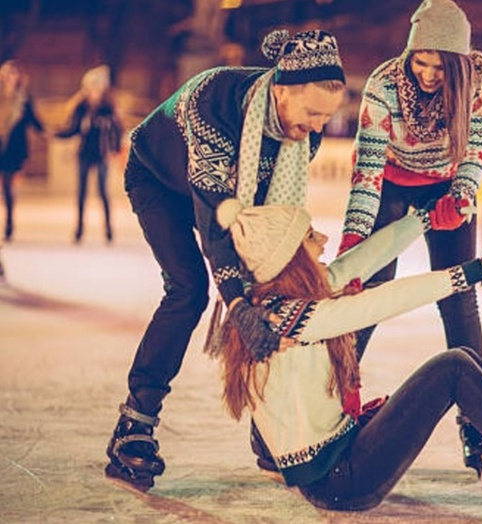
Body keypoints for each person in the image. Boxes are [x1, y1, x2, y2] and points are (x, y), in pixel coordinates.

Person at [214, 197, 482, 511]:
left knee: (459, 362)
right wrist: (471, 271)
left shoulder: (276, 302)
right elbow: (383, 301)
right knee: (453, 367)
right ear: (288, 257)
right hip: (342, 481)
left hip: (345, 456)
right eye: (310, 237)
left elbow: (360, 259)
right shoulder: (284, 319)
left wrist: (424, 219)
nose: (322, 239)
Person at [104, 29, 348, 492]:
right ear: (280, 90)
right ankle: (135, 425)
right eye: (313, 113)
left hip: (224, 199)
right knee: (188, 290)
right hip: (157, 178)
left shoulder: (300, 134)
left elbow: (269, 223)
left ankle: (270, 430)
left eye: (327, 117)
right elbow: (218, 222)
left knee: (273, 291)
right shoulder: (213, 103)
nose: (317, 127)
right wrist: (235, 302)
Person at [336, 0, 482, 476]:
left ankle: (476, 420)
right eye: (419, 61)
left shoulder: (478, 78)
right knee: (368, 296)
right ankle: (336, 402)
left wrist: (462, 195)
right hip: (389, 185)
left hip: (447, 184)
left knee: (457, 295)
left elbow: (477, 147)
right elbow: (366, 171)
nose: (426, 73)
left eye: (438, 65)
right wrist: (354, 240)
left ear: (459, 62)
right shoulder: (384, 85)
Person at [55, 65, 123, 243]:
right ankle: (79, 229)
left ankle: (108, 228)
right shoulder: (81, 107)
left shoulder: (108, 108)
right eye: (90, 87)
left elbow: (117, 131)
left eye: (96, 86)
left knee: (103, 192)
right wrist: (55, 134)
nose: (93, 90)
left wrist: (114, 151)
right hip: (84, 153)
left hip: (102, 155)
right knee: (81, 193)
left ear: (102, 88)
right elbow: (73, 129)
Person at [0, 59, 44, 242]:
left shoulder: (24, 98)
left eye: (13, 74)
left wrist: (46, 132)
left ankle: (9, 223)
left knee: (8, 186)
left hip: (13, 148)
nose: (10, 78)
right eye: (7, 74)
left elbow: (33, 119)